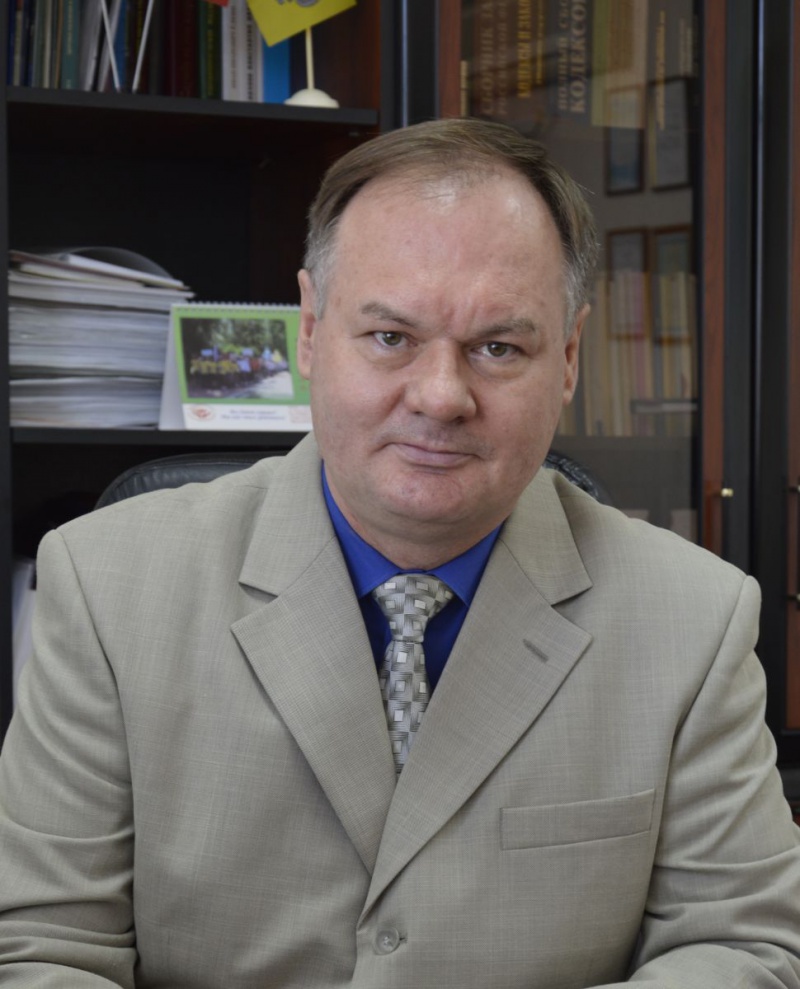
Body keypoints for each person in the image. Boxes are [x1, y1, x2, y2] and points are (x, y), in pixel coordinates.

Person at [1, 117, 799, 989]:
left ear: (569, 357)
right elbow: (39, 949)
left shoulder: (695, 618)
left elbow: (748, 946)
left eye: (499, 347)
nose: (441, 395)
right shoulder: (108, 587)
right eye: (391, 337)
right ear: (310, 329)